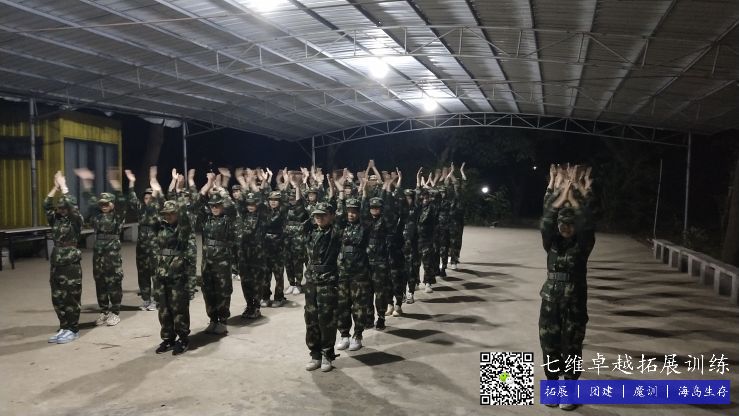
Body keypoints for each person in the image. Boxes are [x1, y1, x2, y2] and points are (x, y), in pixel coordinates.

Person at [539, 164, 595, 411]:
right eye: (562, 224)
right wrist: (561, 195)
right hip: (550, 303)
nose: (565, 227)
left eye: (570, 224)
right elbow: (547, 220)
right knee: (549, 345)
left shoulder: (582, 247)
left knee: (571, 346)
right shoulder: (551, 244)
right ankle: (552, 390)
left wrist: (574, 197)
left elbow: (587, 223)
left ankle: (569, 392)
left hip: (573, 304)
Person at [294, 176, 341, 371]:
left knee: (326, 317)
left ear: (330, 216)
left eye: (323, 215)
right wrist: (298, 187)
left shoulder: (335, 233)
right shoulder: (310, 231)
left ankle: (327, 354)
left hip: (328, 279)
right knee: (311, 317)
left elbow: (337, 208)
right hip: (312, 279)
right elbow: (299, 212)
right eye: (316, 216)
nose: (319, 218)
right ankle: (314, 354)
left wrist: (332, 188)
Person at [76, 167, 127, 327]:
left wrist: (115, 183)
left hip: (112, 256)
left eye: (107, 203)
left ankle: (115, 312)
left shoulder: (117, 216)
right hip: (98, 255)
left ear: (112, 204)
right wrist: (86, 182)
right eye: (102, 204)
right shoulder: (97, 215)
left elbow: (122, 201)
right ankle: (104, 311)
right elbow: (88, 197)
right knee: (100, 282)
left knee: (114, 282)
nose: (104, 205)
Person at [150, 168, 192, 355]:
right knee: (163, 308)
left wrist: (179, 190)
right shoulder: (160, 227)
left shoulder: (182, 229)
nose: (168, 216)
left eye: (171, 213)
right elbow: (152, 211)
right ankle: (167, 338)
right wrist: (157, 191)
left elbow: (184, 215)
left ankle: (183, 338)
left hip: (177, 273)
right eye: (165, 213)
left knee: (178, 307)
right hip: (161, 273)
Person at [195, 170, 238, 335]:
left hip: (222, 261)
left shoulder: (228, 219)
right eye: (212, 205)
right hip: (207, 261)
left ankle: (223, 321)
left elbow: (231, 207)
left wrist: (220, 189)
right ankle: (213, 319)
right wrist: (208, 185)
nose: (214, 208)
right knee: (208, 290)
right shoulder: (206, 218)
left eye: (217, 205)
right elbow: (196, 204)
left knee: (223, 290)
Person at [45, 171, 83, 344]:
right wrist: (55, 187)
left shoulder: (75, 221)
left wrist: (64, 187)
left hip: (70, 264)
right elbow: (46, 204)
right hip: (56, 263)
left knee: (71, 296)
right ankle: (64, 326)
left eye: (64, 207)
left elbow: (72, 206)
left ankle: (73, 330)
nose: (60, 210)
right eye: (59, 207)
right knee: (58, 296)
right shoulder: (56, 221)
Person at [334, 191, 369, 352]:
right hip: (343, 273)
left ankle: (358, 335)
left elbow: (366, 213)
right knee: (342, 305)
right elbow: (338, 215)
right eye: (349, 211)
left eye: (354, 211)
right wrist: (341, 192)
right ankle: (344, 335)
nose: (351, 214)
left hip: (359, 274)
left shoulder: (364, 226)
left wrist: (364, 193)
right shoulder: (342, 226)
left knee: (359, 306)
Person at [126, 170, 161, 311]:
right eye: (146, 198)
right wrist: (131, 182)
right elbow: (131, 199)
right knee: (142, 273)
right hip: (141, 248)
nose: (147, 200)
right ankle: (146, 299)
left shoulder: (158, 210)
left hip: (154, 248)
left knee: (156, 274)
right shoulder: (141, 209)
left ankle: (157, 300)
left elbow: (159, 201)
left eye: (150, 197)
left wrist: (156, 190)